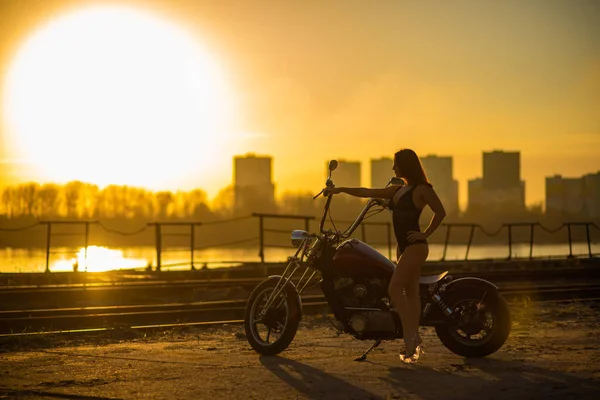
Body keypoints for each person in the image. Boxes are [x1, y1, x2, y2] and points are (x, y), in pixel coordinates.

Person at [326, 148, 446, 363]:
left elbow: (440, 212)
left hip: (416, 246)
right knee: (410, 293)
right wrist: (340, 190)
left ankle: (411, 338)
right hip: (403, 248)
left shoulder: (422, 189)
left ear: (406, 165)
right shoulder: (398, 190)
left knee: (394, 288)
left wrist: (425, 233)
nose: (393, 167)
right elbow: (366, 191)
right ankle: (413, 337)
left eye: (396, 164)